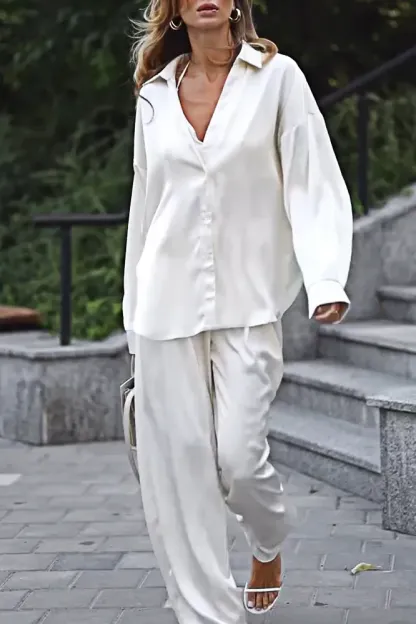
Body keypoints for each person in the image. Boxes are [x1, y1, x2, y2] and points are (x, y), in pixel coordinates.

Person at [122, 0, 352, 622]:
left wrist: (325, 277)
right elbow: (146, 205)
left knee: (239, 460)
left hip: (249, 301)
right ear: (174, 9)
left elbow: (311, 179)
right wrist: (133, 315)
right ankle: (207, 613)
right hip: (164, 305)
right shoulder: (154, 96)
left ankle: (267, 540)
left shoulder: (277, 78)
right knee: (181, 471)